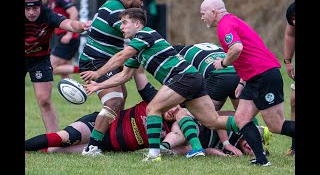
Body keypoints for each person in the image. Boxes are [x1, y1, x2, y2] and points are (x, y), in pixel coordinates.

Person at [81, 8, 245, 162]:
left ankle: (154, 154)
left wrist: (98, 73)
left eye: (124, 22)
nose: (121, 27)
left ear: (137, 24)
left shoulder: (145, 34)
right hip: (192, 78)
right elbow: (124, 75)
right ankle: (249, 126)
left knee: (153, 108)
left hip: (183, 78)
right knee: (212, 121)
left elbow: (122, 55)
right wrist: (98, 86)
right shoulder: (139, 50)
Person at [26, 66, 215, 156]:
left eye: (177, 107)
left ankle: (33, 151)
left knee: (56, 151)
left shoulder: (174, 128)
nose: (172, 109)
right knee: (63, 137)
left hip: (108, 146)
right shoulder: (154, 100)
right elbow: (139, 73)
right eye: (171, 105)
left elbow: (182, 136)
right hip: (100, 124)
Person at [200, 0, 295, 166]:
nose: (202, 17)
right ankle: (261, 159)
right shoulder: (232, 21)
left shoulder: (225, 25)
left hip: (265, 75)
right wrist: (242, 82)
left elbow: (237, 48)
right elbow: (249, 54)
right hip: (253, 78)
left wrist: (223, 63)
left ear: (214, 12)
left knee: (276, 125)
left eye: (203, 13)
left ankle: (262, 158)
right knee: (241, 118)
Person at [77, 0, 146, 155]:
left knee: (122, 97)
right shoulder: (116, 10)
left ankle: (111, 139)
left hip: (104, 60)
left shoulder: (113, 5)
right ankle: (92, 147)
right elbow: (137, 34)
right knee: (114, 101)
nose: (142, 4)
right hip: (96, 62)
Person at [25, 0, 91, 132]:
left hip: (39, 59)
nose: (31, 12)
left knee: (44, 100)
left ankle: (54, 140)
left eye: (35, 8)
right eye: (27, 8)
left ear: (40, 6)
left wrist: (80, 26)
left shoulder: (47, 13)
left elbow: (68, 23)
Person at [160, 111, 272, 157]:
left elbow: (207, 151)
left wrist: (221, 154)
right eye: (252, 146)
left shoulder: (236, 152)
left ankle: (168, 153)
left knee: (189, 149)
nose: (248, 147)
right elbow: (217, 119)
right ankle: (163, 146)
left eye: (249, 152)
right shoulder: (240, 129)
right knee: (183, 134)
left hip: (197, 145)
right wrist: (226, 143)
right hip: (194, 126)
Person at [173, 43, 242, 110]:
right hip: (238, 73)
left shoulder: (180, 56)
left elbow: (185, 85)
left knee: (207, 117)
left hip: (218, 76)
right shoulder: (207, 46)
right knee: (242, 116)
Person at [47, 0, 81, 79]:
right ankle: (73, 92)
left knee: (50, 67)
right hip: (62, 37)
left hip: (68, 38)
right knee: (65, 75)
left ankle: (84, 69)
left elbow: (74, 12)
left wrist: (69, 34)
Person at [283, 0, 295, 156]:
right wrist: (287, 61)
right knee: (294, 101)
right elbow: (290, 34)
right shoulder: (292, 10)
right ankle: (294, 146)